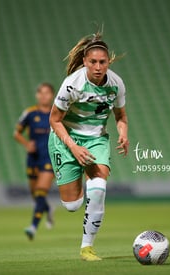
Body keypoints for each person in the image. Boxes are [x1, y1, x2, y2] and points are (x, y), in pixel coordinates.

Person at [48, 30, 129, 261]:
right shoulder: (72, 85)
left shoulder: (116, 84)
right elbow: (54, 120)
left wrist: (123, 134)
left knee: (99, 187)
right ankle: (76, 181)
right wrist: (73, 148)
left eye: (102, 62)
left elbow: (121, 116)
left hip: (96, 139)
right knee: (72, 205)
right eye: (92, 62)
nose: (97, 66)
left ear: (108, 62)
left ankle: (87, 248)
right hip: (66, 138)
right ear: (84, 62)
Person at [14, 83, 56, 240]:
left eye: (47, 93)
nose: (44, 96)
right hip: (33, 159)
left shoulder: (57, 112)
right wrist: (26, 143)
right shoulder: (30, 113)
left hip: (49, 158)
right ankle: (48, 208)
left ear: (52, 95)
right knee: (36, 195)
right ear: (37, 95)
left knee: (40, 191)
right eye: (41, 93)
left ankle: (33, 227)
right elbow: (16, 133)